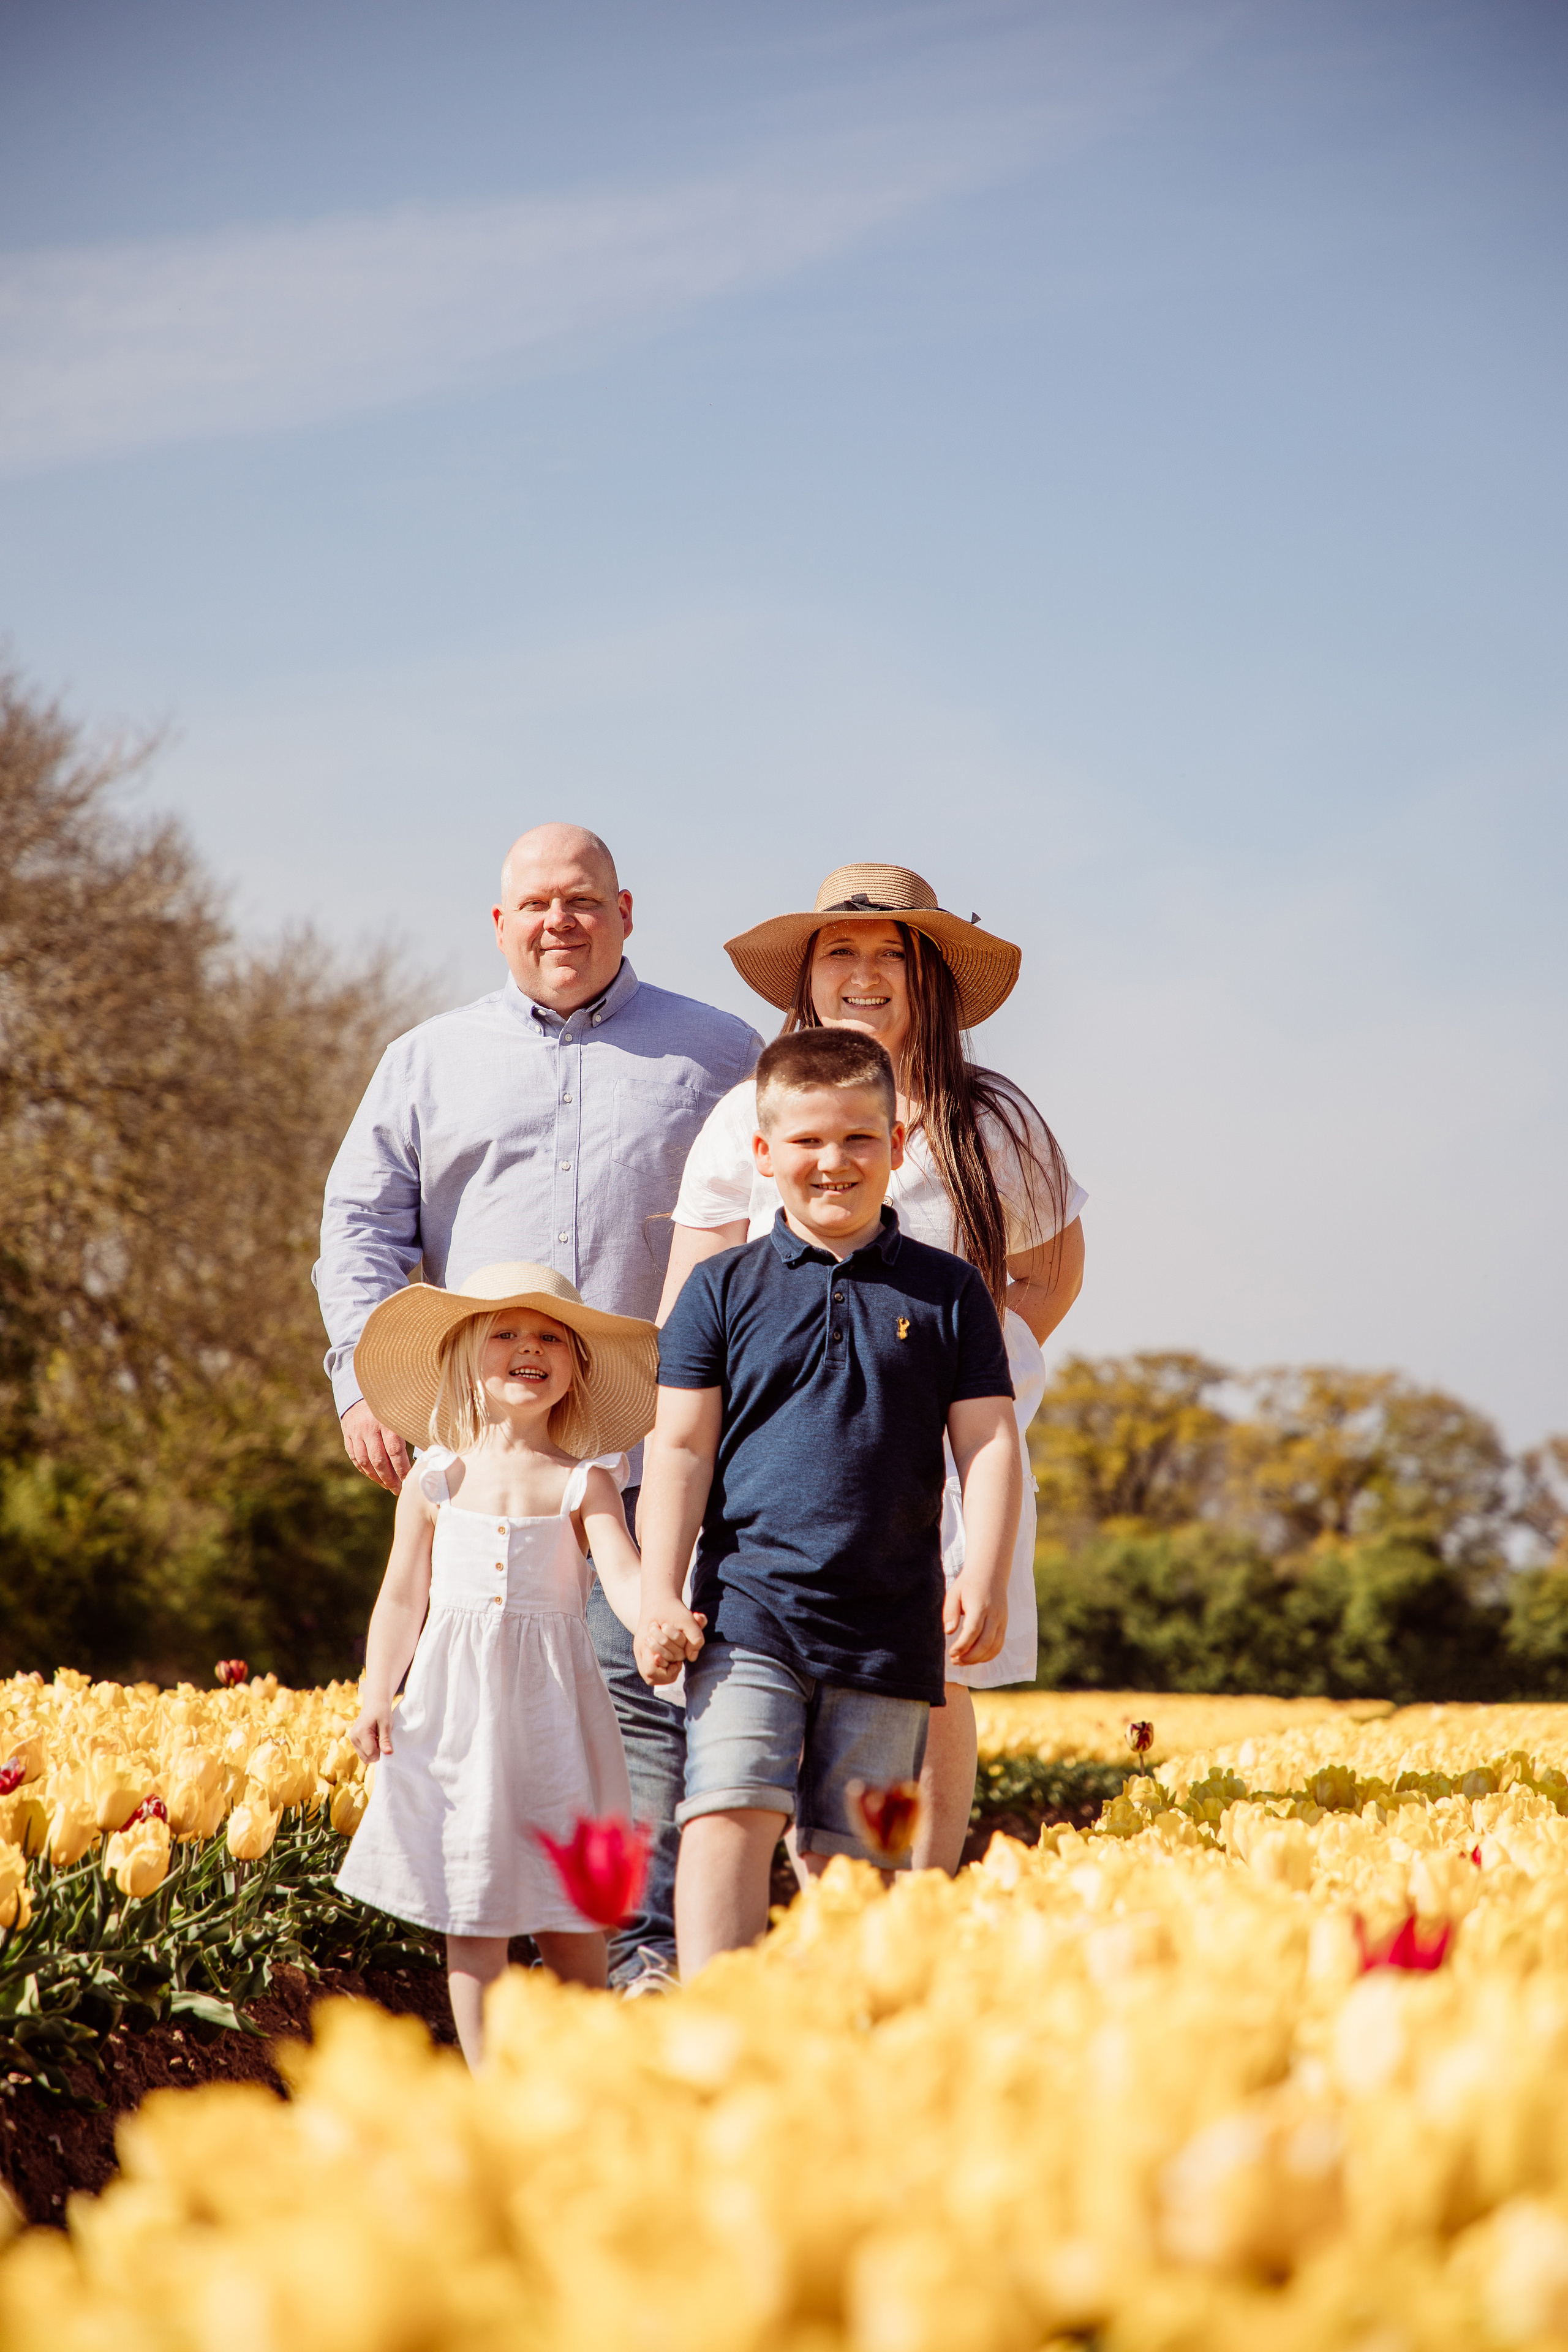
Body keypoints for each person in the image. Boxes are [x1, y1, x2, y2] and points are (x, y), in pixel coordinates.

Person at [316, 824, 761, 1991]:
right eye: (534, 905)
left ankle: (640, 1953)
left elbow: (777, 1218)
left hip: (671, 1437)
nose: (558, 922)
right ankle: (496, 1937)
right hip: (491, 1450)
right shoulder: (423, 1060)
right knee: (489, 1705)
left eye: (581, 901)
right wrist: (361, 1377)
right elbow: (362, 1226)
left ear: (625, 910)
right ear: (499, 923)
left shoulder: (718, 1052)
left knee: (639, 1695)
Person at [658, 862, 1086, 1874]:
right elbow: (692, 1296)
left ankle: (915, 1909)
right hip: (778, 1461)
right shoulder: (745, 1117)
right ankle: (781, 1913)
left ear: (930, 979)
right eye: (839, 953)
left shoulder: (993, 1121)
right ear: (804, 979)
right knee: (763, 1671)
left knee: (934, 1677)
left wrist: (946, 1373)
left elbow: (1052, 1279)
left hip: (938, 1459)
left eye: (891, 956)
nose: (864, 975)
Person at [636, 1029, 1022, 1973]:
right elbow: (679, 1447)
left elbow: (991, 1439)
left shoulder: (950, 1293)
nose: (833, 1161)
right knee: (729, 1805)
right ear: (764, 1157)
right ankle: (716, 2020)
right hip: (747, 1612)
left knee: (854, 1859)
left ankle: (843, 2037)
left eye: (858, 1138)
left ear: (895, 1145)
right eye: (806, 1141)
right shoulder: (719, 1292)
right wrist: (656, 1587)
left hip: (891, 1625)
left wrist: (987, 1569)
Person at [338, 1262, 669, 2065]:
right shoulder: (434, 1478)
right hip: (456, 1712)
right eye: (508, 1334)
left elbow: (623, 1576)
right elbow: (401, 1599)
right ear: (463, 1358)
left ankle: (593, 2064)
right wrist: (378, 1690)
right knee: (473, 1901)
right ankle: (488, 2083)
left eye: (552, 1336)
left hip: (554, 1711)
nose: (532, 1347)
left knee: (572, 1910)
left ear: (576, 1366)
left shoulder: (583, 1482)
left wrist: (657, 1619)